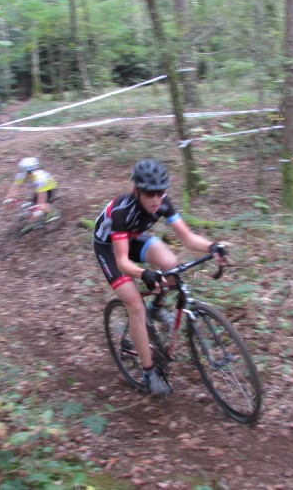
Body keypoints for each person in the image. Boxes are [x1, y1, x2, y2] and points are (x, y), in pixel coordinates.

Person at [92, 159, 228, 397]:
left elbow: (187, 237)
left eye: (161, 192)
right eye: (150, 193)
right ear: (137, 191)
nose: (156, 198)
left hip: (133, 238)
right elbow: (123, 262)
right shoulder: (123, 210)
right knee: (135, 305)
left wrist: (212, 247)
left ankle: (156, 306)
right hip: (109, 249)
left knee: (172, 266)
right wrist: (144, 273)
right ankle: (149, 372)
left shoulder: (163, 204)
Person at [3, 157, 58, 221]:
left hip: (47, 189)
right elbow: (15, 187)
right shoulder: (23, 173)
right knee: (32, 205)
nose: (26, 174)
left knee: (41, 206)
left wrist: (38, 208)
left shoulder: (40, 177)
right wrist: (9, 198)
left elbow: (42, 195)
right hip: (38, 188)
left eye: (28, 172)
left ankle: (53, 213)